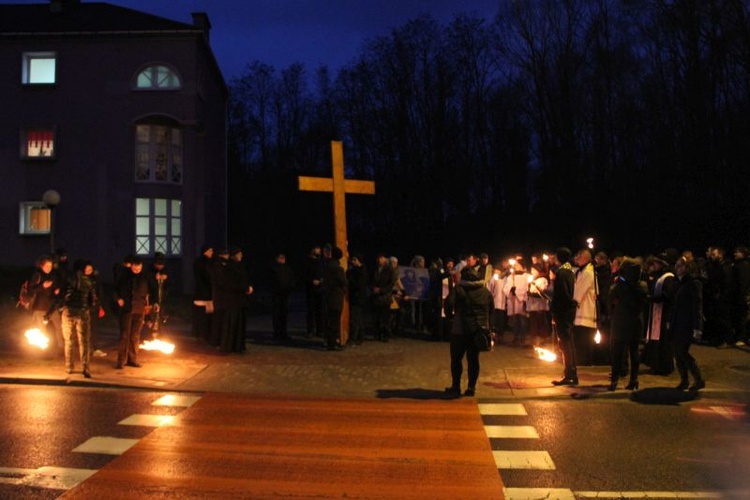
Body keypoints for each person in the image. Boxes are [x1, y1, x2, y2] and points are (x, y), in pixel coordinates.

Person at [445, 253, 491, 397]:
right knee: (473, 359)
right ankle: (471, 387)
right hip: (477, 329)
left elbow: (447, 304)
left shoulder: (458, 289)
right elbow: (492, 309)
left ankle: (456, 386)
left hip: (460, 329)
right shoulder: (485, 291)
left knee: (456, 359)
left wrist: (451, 318)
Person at [607, 257, 648, 391]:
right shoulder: (642, 285)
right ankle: (634, 380)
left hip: (620, 322)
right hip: (636, 322)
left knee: (617, 352)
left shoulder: (620, 285)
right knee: (634, 351)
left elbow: (610, 298)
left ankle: (614, 381)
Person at [667, 257, 705, 391]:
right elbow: (674, 304)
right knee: (677, 353)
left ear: (688, 268)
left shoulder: (693, 283)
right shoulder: (678, 282)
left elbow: (697, 306)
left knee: (682, 351)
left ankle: (698, 379)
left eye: (681, 266)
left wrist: (697, 328)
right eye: (677, 265)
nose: (678, 268)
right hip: (677, 323)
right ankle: (684, 380)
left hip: (687, 324)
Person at [59, 259, 99, 378]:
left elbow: (61, 295)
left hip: (68, 312)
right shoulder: (88, 281)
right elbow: (93, 299)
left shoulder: (67, 279)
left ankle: (69, 366)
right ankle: (85, 367)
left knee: (69, 340)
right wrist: (88, 307)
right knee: (84, 342)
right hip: (83, 312)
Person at [113, 256, 149, 368]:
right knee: (124, 335)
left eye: (139, 269)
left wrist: (151, 304)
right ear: (131, 266)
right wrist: (118, 299)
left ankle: (132, 359)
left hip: (139, 309)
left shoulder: (145, 277)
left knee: (135, 335)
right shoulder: (123, 275)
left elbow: (151, 290)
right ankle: (121, 360)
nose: (137, 271)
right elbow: (115, 289)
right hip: (126, 309)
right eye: (134, 269)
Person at [551, 247, 578, 386]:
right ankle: (571, 372)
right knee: (569, 342)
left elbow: (562, 295)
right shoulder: (570, 271)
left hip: (563, 312)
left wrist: (554, 309)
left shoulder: (561, 272)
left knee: (565, 343)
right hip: (569, 311)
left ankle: (569, 374)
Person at [28, 255, 63, 357]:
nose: (49, 268)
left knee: (59, 327)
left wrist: (57, 291)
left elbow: (55, 287)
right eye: (47, 266)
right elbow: (31, 290)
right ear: (41, 266)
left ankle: (61, 348)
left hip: (52, 307)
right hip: (39, 307)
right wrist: (42, 286)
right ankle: (42, 351)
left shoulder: (53, 275)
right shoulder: (37, 275)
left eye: (50, 266)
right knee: (41, 329)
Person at [572, 248, 598, 366]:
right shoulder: (583, 271)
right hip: (582, 309)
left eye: (578, 256)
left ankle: (584, 360)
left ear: (584, 258)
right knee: (582, 336)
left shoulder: (588, 272)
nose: (576, 258)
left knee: (584, 337)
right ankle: (582, 358)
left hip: (585, 309)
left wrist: (573, 301)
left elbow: (579, 291)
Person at [322, 246, 347, 350]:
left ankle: (328, 341)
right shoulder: (338, 269)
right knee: (335, 321)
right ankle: (333, 343)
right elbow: (344, 282)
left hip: (327, 296)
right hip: (336, 296)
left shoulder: (327, 267)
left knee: (329, 320)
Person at [372, 254, 397, 342]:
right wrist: (373, 288)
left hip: (385, 296)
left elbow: (391, 283)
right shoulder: (375, 269)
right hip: (376, 296)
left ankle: (385, 335)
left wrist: (381, 290)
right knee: (377, 316)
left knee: (385, 317)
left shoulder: (389, 270)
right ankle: (378, 334)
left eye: (381, 258)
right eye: (378, 258)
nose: (379, 260)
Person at [271, 252, 295, 342]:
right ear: (276, 258)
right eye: (281, 257)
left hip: (285, 294)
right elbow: (271, 282)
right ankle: (277, 333)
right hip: (276, 295)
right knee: (277, 314)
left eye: (284, 257)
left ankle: (284, 332)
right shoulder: (273, 269)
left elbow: (292, 279)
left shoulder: (288, 268)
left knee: (284, 314)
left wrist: (290, 288)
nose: (283, 259)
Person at [192, 245, 214, 341]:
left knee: (201, 315)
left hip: (201, 293)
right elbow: (206, 277)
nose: (212, 253)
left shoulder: (199, 262)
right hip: (205, 294)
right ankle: (204, 334)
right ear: (206, 251)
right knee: (204, 316)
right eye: (211, 251)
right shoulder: (205, 263)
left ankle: (200, 334)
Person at [347, 252, 368, 345]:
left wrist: (350, 278)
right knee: (358, 318)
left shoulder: (361, 271)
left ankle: (354, 338)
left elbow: (358, 285)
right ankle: (360, 337)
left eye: (354, 260)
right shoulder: (356, 270)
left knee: (355, 318)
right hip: (356, 297)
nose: (352, 261)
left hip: (358, 297)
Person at [527, 263, 551, 345]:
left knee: (541, 322)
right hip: (532, 305)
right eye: (531, 270)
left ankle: (542, 337)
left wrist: (533, 293)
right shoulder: (533, 279)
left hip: (540, 305)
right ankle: (535, 338)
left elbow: (542, 292)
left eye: (534, 270)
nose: (532, 272)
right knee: (534, 322)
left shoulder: (543, 279)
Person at [304, 246, 324, 339]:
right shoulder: (308, 262)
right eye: (317, 249)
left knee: (320, 311)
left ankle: (320, 330)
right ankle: (310, 330)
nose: (319, 251)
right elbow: (304, 275)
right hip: (311, 289)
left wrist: (321, 280)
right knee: (311, 311)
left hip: (320, 289)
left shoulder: (321, 262)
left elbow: (324, 273)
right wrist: (311, 281)